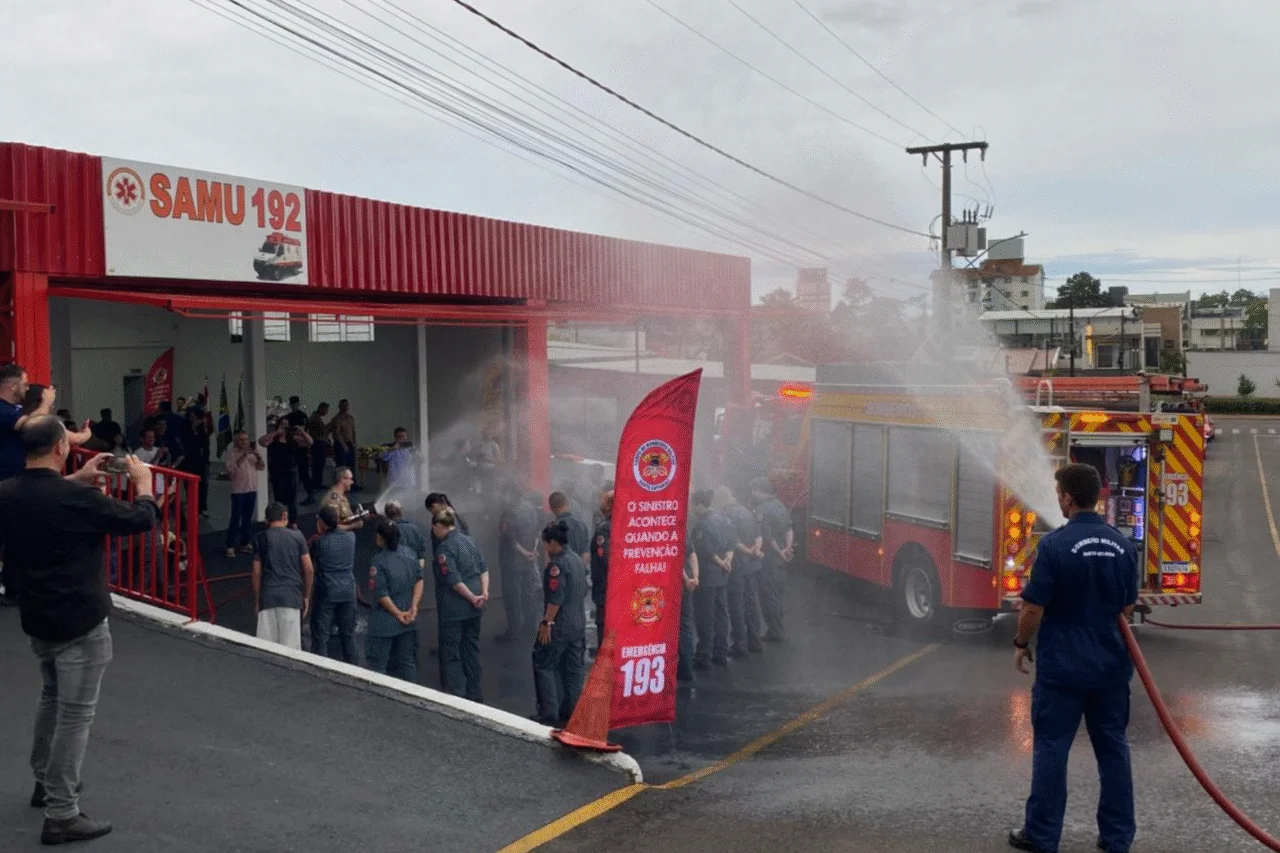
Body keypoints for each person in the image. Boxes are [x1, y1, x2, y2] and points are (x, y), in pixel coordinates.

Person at [0, 416, 157, 844]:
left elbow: (42, 497)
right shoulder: (77, 499)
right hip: (81, 619)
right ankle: (62, 810)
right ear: (59, 448)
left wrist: (79, 478)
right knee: (76, 713)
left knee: (52, 695)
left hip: (37, 616)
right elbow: (139, 520)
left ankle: (43, 780)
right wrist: (143, 483)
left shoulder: (9, 493)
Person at [1008, 463, 1138, 853]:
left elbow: (1032, 608)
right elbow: (1128, 607)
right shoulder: (1123, 546)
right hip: (1111, 670)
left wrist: (1020, 644)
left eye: (1058, 493)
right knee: (1113, 749)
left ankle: (1042, 836)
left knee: (1051, 747)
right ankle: (1117, 839)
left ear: (1067, 497)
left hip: (1062, 671)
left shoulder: (1054, 546)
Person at [532, 520, 587, 726]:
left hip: (560, 625)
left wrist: (547, 622)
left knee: (544, 664)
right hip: (577, 624)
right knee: (572, 669)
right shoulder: (576, 560)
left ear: (554, 542)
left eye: (547, 544)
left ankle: (549, 714)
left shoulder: (557, 565)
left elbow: (556, 598)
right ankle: (572, 711)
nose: (545, 548)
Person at [431, 507, 489, 702]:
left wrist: (472, 597)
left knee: (451, 651)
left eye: (434, 527)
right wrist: (484, 593)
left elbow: (454, 581)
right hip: (475, 609)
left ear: (440, 526)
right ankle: (475, 691)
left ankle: (456, 694)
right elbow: (483, 569)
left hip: (455, 609)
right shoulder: (469, 541)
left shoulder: (444, 549)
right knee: (471, 648)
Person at [365, 519, 423, 680]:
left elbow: (382, 594)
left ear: (381, 538)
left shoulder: (378, 562)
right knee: (407, 663)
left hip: (384, 623)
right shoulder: (410, 554)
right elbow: (419, 580)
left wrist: (397, 614)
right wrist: (414, 607)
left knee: (378, 665)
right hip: (409, 619)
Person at [251, 502, 314, 650]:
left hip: (268, 597)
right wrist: (306, 596)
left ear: (267, 520)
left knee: (265, 650)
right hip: (291, 598)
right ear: (285, 516)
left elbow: (256, 572)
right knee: (291, 651)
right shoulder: (297, 537)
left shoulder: (260, 538)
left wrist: (258, 598)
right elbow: (309, 569)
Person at [718, 486, 765, 656]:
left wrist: (748, 551)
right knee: (752, 602)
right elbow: (759, 535)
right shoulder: (747, 511)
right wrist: (756, 549)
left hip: (738, 566)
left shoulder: (727, 515)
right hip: (752, 565)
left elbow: (734, 542)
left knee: (736, 605)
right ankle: (755, 641)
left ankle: (740, 644)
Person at [309, 505, 358, 664]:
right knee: (348, 635)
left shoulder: (320, 542)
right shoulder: (351, 537)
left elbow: (313, 562)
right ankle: (355, 670)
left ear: (321, 523)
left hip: (327, 590)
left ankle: (321, 668)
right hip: (348, 590)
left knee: (321, 635)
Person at [690, 489, 734, 668]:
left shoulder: (702, 525)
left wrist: (720, 562)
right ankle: (721, 651)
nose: (692, 509)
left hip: (708, 575)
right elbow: (732, 543)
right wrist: (727, 561)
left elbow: (705, 551)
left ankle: (704, 654)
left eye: (694, 505)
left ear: (700, 505)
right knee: (722, 613)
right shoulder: (724, 520)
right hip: (723, 575)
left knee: (705, 616)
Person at [496, 481, 542, 644]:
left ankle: (513, 631)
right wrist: (533, 551)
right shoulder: (530, 509)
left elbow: (510, 538)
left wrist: (523, 553)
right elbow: (537, 531)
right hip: (529, 560)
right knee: (528, 595)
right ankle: (530, 627)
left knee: (512, 597)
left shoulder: (508, 512)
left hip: (512, 563)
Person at [752, 477, 794, 643]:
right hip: (780, 562)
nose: (752, 494)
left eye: (754, 491)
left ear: (760, 491)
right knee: (777, 596)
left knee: (768, 597)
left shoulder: (761, 509)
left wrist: (779, 552)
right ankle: (776, 629)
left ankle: (775, 631)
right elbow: (789, 529)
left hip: (769, 561)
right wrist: (787, 548)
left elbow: (767, 537)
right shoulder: (780, 505)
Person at [260, 417, 312, 528]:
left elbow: (310, 442)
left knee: (292, 499)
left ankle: (293, 522)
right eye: (282, 424)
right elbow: (262, 442)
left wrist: (301, 431)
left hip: (291, 472)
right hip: (277, 472)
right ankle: (279, 521)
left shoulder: (293, 438)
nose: (284, 426)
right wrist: (276, 432)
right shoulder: (274, 438)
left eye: (286, 424)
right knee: (279, 498)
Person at [225, 431, 265, 558]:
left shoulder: (252, 453)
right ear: (235, 441)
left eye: (246, 439)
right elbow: (231, 471)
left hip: (251, 489)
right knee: (236, 518)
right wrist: (243, 456)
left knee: (248, 518)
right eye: (241, 440)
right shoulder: (232, 454)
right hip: (239, 492)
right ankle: (230, 545)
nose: (244, 442)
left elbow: (261, 467)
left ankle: (244, 542)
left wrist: (258, 457)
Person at [589, 489, 614, 651]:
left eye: (603, 500)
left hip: (605, 584)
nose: (600, 503)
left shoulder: (604, 529)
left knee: (603, 620)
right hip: (620, 584)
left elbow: (605, 558)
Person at [179, 407, 212, 517]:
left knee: (203, 485)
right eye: (190, 415)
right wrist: (193, 429)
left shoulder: (203, 428)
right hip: (189, 461)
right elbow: (187, 442)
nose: (191, 418)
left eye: (194, 415)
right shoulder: (185, 427)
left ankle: (202, 507)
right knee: (190, 486)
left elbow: (204, 442)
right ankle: (192, 507)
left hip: (201, 461)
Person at [548, 491, 589, 566]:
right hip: (580, 573)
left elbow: (551, 557)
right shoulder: (581, 524)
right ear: (567, 502)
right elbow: (586, 554)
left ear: (551, 508)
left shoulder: (552, 529)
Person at [327, 399, 358, 491]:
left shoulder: (350, 417)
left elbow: (353, 431)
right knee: (341, 466)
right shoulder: (337, 418)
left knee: (351, 464)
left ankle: (352, 484)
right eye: (343, 406)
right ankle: (340, 485)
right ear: (339, 407)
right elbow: (337, 434)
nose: (345, 407)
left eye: (346, 406)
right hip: (340, 444)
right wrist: (343, 445)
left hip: (350, 443)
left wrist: (354, 442)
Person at [384, 501, 428, 567]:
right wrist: (419, 572)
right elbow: (422, 554)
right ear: (401, 512)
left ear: (387, 514)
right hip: (416, 571)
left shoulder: (385, 532)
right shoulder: (414, 529)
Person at [322, 466, 365, 532]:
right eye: (350, 479)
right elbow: (332, 527)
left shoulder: (342, 496)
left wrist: (357, 516)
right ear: (342, 480)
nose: (352, 482)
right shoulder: (333, 500)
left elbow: (345, 518)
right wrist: (354, 525)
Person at [303, 401, 330, 504]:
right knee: (318, 463)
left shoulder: (316, 418)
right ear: (321, 408)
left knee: (320, 463)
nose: (326, 412)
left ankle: (318, 482)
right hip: (317, 443)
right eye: (326, 410)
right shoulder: (315, 418)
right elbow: (321, 431)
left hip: (319, 442)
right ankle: (316, 482)